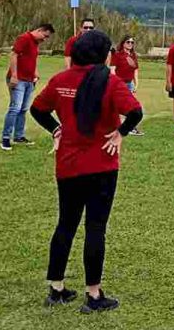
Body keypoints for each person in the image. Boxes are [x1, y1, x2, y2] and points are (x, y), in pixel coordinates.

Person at [30, 30, 143, 313]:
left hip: (68, 164)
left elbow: (37, 109)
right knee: (95, 228)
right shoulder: (111, 81)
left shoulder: (61, 79)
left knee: (65, 224)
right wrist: (120, 134)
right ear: (102, 53)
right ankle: (93, 295)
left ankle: (56, 288)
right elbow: (135, 112)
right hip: (101, 166)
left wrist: (56, 128)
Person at [1, 23, 54, 150]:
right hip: (18, 79)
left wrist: (35, 73)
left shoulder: (35, 43)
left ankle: (19, 136)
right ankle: (6, 138)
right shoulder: (24, 38)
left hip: (29, 80)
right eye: (44, 36)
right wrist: (14, 75)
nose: (44, 39)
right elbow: (13, 55)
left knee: (23, 109)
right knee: (15, 108)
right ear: (39, 30)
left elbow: (31, 59)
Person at [111, 35, 143, 136]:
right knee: (118, 106)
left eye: (132, 42)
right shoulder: (117, 55)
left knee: (132, 107)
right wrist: (117, 84)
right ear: (123, 43)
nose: (130, 44)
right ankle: (118, 126)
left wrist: (136, 84)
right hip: (120, 83)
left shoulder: (133, 55)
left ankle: (131, 127)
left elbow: (135, 70)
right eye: (128, 42)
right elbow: (113, 70)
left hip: (129, 83)